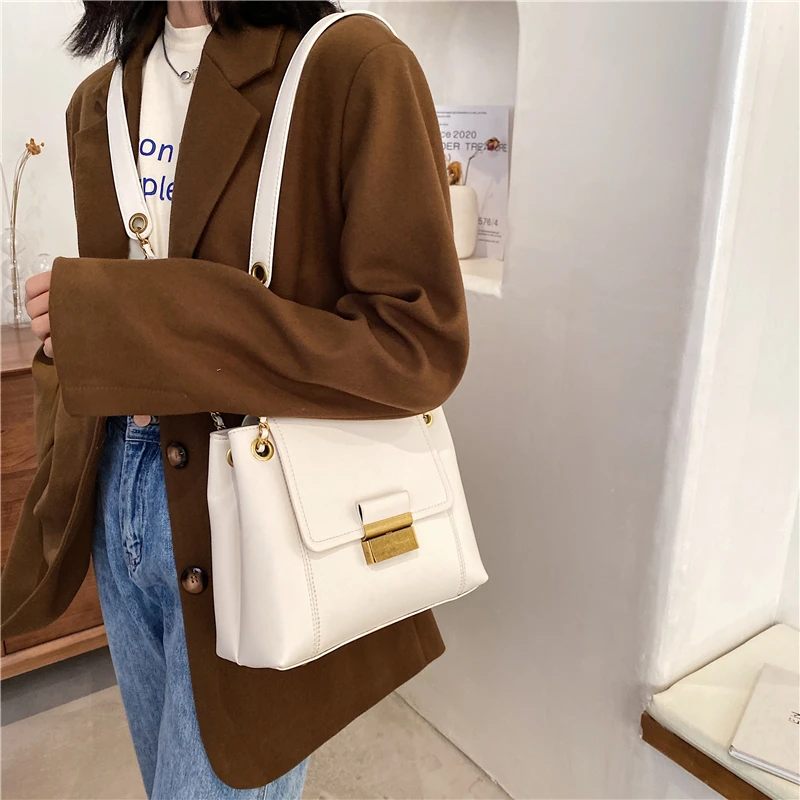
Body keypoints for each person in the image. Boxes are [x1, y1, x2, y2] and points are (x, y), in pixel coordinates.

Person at [2, 0, 469, 797]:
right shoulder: (98, 102)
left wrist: (123, 312)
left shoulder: (350, 66)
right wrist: (76, 342)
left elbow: (415, 347)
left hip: (256, 511)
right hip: (118, 486)